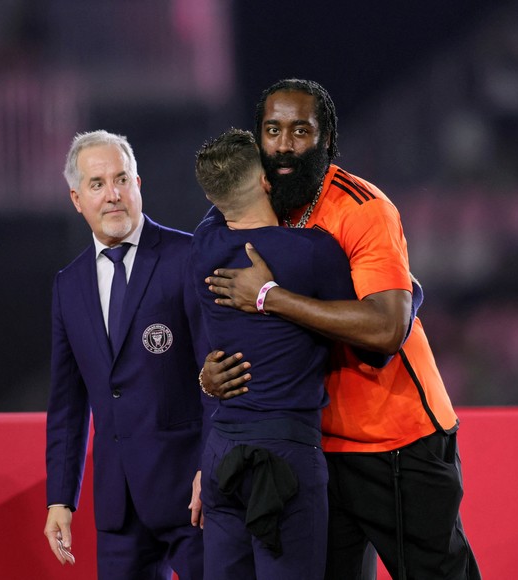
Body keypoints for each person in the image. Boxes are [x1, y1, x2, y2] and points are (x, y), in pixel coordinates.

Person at [202, 79, 481, 580]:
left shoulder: (362, 208)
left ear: (326, 139)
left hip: (397, 444)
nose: (284, 145)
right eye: (273, 130)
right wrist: (208, 373)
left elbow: (386, 330)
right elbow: (213, 306)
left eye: (300, 131)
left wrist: (272, 297)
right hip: (312, 449)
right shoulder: (244, 210)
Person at [192, 127, 392, 580]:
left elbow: (222, 195)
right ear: (266, 179)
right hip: (286, 455)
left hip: (223, 453)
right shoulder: (314, 253)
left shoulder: (202, 247)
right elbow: (374, 342)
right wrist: (412, 295)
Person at [44, 130, 206, 579]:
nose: (112, 195)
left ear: (139, 185)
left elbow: (220, 376)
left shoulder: (187, 257)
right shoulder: (67, 285)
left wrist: (212, 469)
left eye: (121, 180)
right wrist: (60, 499)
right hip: (118, 508)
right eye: (97, 185)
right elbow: (67, 406)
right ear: (77, 198)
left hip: (193, 499)